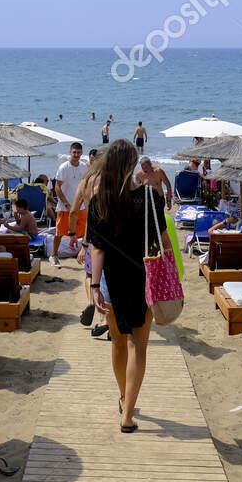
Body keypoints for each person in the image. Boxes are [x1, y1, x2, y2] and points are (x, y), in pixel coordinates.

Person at [86, 140, 167, 432]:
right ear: (132, 165)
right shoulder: (149, 197)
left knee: (119, 343)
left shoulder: (100, 202)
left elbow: (97, 250)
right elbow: (163, 239)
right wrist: (172, 268)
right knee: (138, 346)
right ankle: (128, 414)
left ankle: (123, 396)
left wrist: (95, 286)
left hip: (112, 280)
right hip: (144, 277)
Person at [53, 142, 88, 258]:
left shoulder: (84, 166)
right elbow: (57, 187)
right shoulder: (64, 167)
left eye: (78, 152)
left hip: (80, 205)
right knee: (60, 233)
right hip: (65, 206)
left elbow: (85, 185)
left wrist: (84, 201)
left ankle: (84, 253)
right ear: (70, 152)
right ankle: (54, 255)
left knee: (84, 232)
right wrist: (66, 204)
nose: (76, 155)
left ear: (82, 153)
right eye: (74, 152)